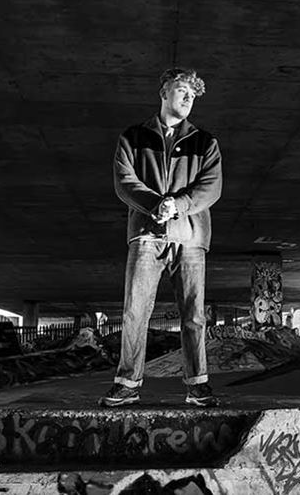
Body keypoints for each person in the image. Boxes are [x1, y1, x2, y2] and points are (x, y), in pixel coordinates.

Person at [100, 68, 222, 407]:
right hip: (145, 235)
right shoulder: (134, 137)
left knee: (193, 315)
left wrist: (177, 204)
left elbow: (211, 187)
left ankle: (197, 385)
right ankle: (127, 384)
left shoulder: (205, 142)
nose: (186, 98)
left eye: (192, 95)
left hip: (190, 238)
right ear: (164, 92)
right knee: (135, 312)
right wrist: (157, 204)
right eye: (181, 90)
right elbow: (124, 180)